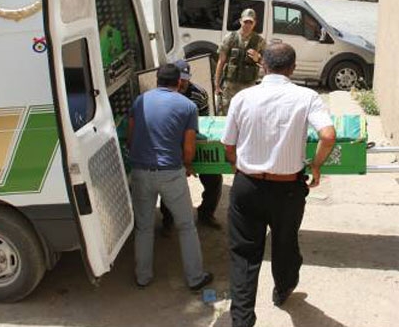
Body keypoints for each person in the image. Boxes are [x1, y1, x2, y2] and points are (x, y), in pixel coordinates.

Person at [221, 43, 337, 327]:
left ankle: (242, 321)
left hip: (247, 186)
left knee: (244, 255)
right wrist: (317, 165)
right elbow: (328, 135)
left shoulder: (243, 97)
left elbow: (228, 145)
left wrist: (240, 166)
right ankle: (283, 287)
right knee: (285, 243)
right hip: (287, 190)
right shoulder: (307, 96)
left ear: (263, 66)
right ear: (293, 68)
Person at [128, 63, 213, 290]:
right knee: (186, 225)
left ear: (156, 80)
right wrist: (187, 165)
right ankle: (195, 278)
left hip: (140, 172)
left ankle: (142, 276)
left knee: (143, 227)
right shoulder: (187, 106)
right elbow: (188, 148)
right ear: (178, 82)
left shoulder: (140, 101)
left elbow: (131, 136)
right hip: (170, 173)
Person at [160, 59, 224, 232]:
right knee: (169, 182)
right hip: (171, 145)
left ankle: (206, 214)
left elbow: (203, 123)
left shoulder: (199, 95)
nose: (182, 83)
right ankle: (168, 219)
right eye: (179, 79)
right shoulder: (163, 95)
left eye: (185, 79)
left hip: (194, 141)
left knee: (214, 179)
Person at [214, 8, 266, 116]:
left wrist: (258, 58)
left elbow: (267, 64)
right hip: (230, 85)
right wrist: (217, 84)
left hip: (249, 86)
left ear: (254, 23)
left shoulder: (259, 41)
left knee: (247, 114)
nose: (247, 25)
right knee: (225, 114)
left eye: (250, 22)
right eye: (245, 21)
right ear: (240, 21)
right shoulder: (230, 38)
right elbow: (221, 62)